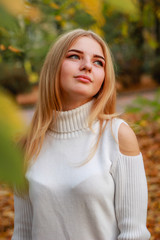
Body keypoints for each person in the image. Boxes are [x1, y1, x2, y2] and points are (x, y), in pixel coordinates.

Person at [12, 29, 151, 240]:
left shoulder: (116, 135)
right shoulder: (28, 144)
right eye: (74, 56)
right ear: (54, 67)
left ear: (104, 78)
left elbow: (134, 234)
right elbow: (22, 234)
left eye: (98, 62)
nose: (87, 66)